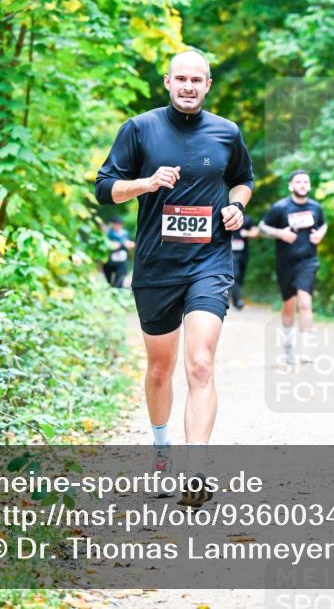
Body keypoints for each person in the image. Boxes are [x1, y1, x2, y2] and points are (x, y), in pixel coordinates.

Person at [94, 49, 254, 506]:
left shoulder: (227, 132)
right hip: (156, 266)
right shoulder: (140, 129)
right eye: (180, 78)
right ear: (167, 82)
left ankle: (197, 468)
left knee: (200, 363)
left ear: (207, 85)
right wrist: (145, 183)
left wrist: (236, 207)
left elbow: (244, 179)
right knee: (160, 369)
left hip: (209, 262)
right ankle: (162, 452)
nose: (188, 86)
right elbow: (105, 189)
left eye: (197, 80)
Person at [259, 169, 327, 364]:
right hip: (286, 262)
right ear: (291, 186)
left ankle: (306, 349)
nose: (303, 185)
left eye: (306, 182)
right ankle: (288, 350)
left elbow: (323, 225)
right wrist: (280, 233)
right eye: (298, 182)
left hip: (308, 261)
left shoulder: (316, 207)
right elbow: (262, 227)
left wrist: (320, 234)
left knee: (305, 303)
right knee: (289, 306)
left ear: (310, 185)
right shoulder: (280, 208)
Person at [230, 213, 259, 309]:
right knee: (235, 275)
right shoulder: (222, 217)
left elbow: (255, 232)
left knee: (240, 276)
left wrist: (247, 233)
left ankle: (233, 295)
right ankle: (237, 301)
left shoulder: (246, 218)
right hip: (229, 253)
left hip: (243, 253)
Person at [103, 216, 134, 288]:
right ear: (113, 225)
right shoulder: (109, 234)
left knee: (119, 282)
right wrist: (122, 244)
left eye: (119, 224)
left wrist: (122, 245)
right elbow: (109, 245)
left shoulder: (125, 233)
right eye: (116, 224)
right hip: (110, 261)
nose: (118, 226)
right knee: (109, 281)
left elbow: (130, 245)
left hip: (121, 262)